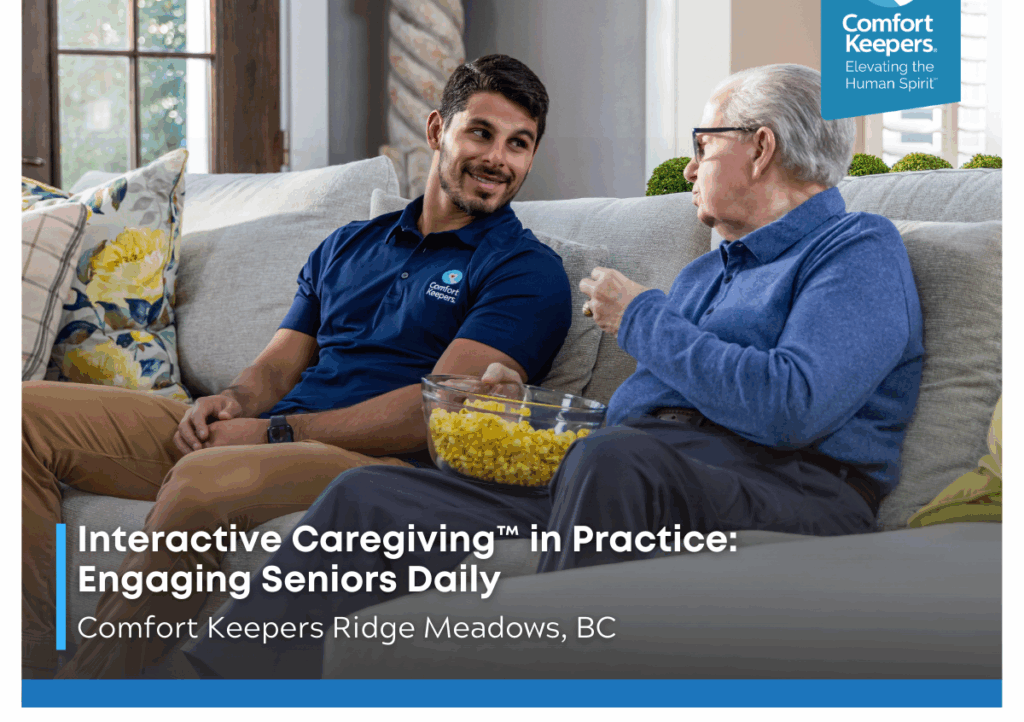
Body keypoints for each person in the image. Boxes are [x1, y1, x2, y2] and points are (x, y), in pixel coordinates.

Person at [182, 62, 925, 679]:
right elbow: (643, 422)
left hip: (792, 487)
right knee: (371, 494)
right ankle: (196, 686)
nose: (692, 166)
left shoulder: (856, 250)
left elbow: (792, 405)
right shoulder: (710, 272)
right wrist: (522, 409)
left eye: (705, 143)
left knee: (614, 461)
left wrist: (641, 316)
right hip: (639, 469)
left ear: (760, 149)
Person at [22, 54, 572, 679]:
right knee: (22, 417)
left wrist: (276, 433)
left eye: (519, 144)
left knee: (206, 478)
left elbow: (436, 416)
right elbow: (276, 369)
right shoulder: (348, 245)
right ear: (438, 129)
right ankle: (28, 670)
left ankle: (88, 695)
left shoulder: (526, 272)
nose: (498, 158)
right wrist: (230, 402)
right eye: (482, 132)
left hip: (377, 466)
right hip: (273, 433)